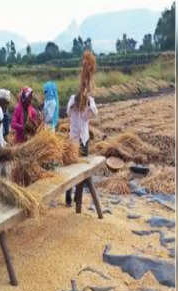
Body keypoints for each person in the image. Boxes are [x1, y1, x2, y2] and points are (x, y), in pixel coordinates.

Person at [65, 50, 98, 207]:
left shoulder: (88, 102)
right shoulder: (73, 100)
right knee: (71, 168)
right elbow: (67, 111)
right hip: (73, 140)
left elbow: (95, 113)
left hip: (84, 140)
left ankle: (78, 199)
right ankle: (68, 195)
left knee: (82, 169)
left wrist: (88, 102)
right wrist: (76, 100)